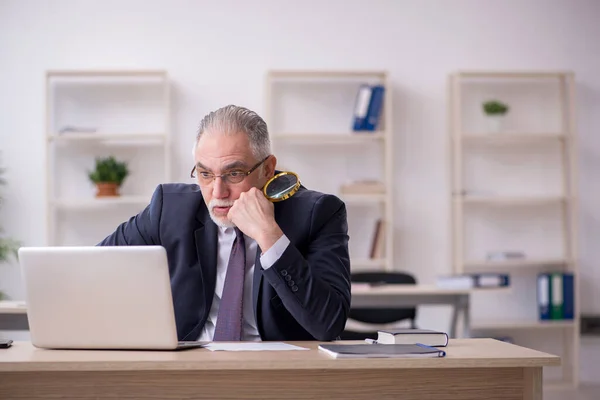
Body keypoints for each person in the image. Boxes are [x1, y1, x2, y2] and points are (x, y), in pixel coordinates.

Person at [98, 105, 351, 342]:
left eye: (233, 174)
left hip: (276, 373)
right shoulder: (169, 209)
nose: (217, 192)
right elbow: (95, 268)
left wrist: (269, 236)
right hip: (189, 368)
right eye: (205, 174)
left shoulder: (318, 213)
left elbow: (328, 324)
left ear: (268, 169)